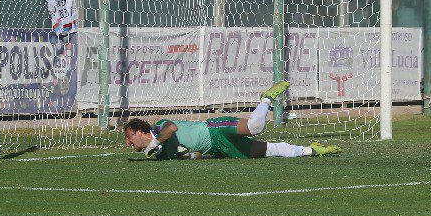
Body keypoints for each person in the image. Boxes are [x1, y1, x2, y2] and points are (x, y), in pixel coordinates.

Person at [123, 81, 341, 160]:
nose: (128, 143)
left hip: (215, 130)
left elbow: (172, 128)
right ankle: (312, 150)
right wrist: (189, 155)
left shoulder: (159, 128)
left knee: (256, 126)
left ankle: (266, 99)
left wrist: (156, 143)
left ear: (140, 132)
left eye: (129, 137)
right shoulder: (157, 154)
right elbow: (196, 154)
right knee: (269, 151)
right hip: (219, 149)